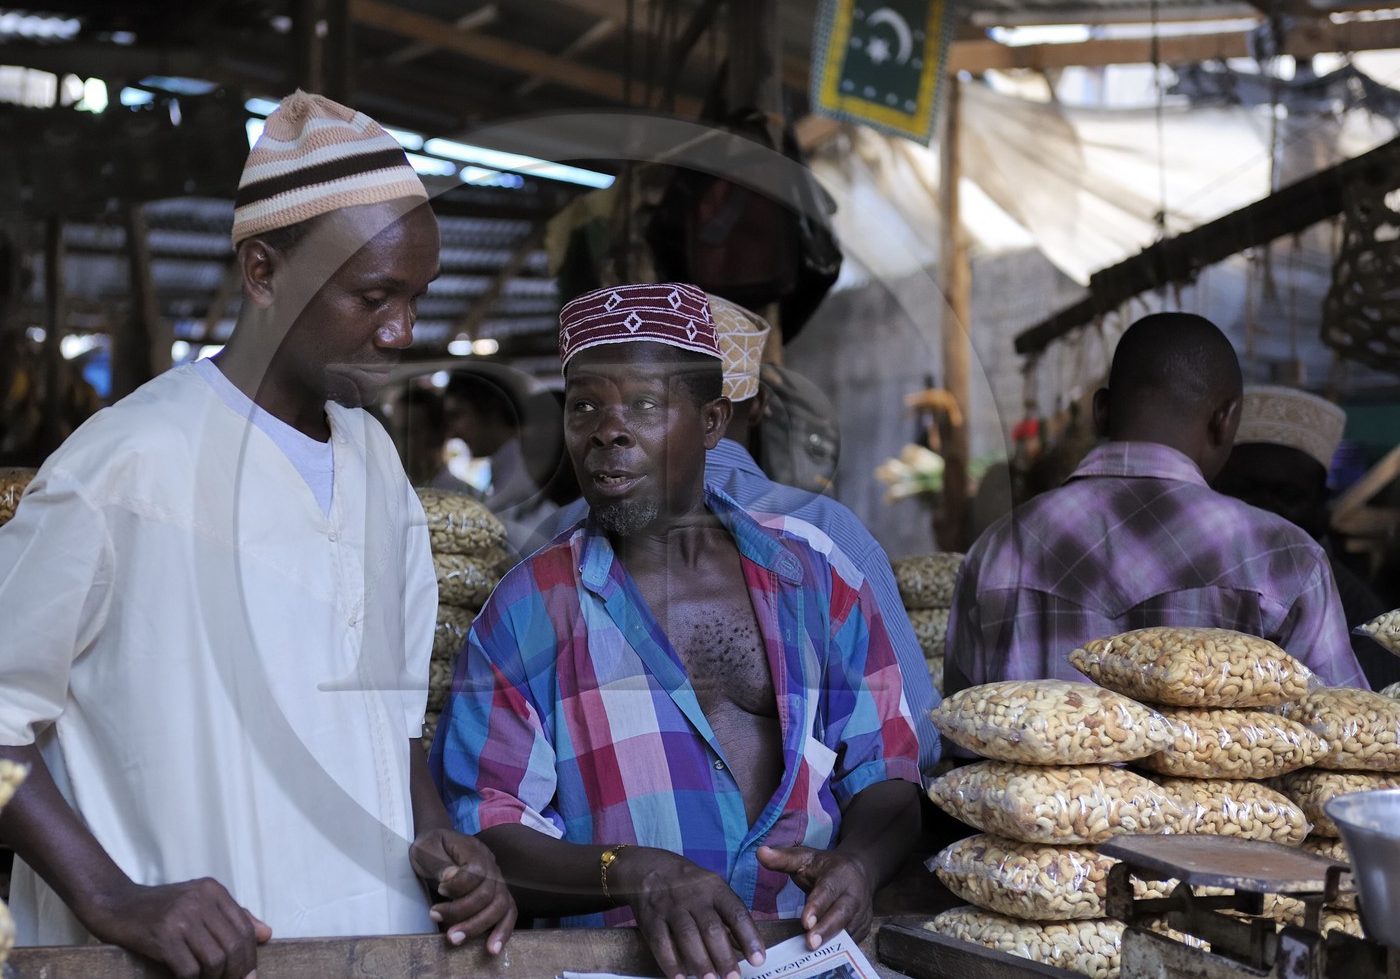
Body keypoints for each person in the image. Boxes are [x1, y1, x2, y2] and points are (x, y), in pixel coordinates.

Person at [0, 93, 514, 979]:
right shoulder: (131, 462)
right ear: (264, 272)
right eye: (371, 296)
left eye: (415, 298)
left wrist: (439, 843)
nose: (401, 333)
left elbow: (388, 722)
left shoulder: (376, 461)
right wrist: (116, 899)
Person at [432, 283, 932, 979]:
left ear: (711, 422)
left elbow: (886, 776)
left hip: (811, 971)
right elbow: (487, 833)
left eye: (643, 404)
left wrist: (861, 863)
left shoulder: (818, 581)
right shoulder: (526, 612)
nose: (608, 429)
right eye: (585, 407)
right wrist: (629, 872)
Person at [538, 293, 941, 759]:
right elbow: (916, 743)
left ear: (715, 418)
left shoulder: (552, 540)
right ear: (761, 404)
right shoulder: (828, 532)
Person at [946, 312, 1367, 693]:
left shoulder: (998, 550)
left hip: (1024, 783)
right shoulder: (1285, 558)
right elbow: (1344, 740)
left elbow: (959, 739)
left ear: (1102, 412)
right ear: (1225, 420)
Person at [1213, 386, 1400, 689]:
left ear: (1320, 503)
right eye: (1245, 489)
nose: (1264, 508)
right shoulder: (1181, 567)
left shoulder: (1358, 614)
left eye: (1287, 495)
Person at [443, 371, 536, 513]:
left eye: (457, 415)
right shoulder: (508, 468)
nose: (453, 433)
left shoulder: (526, 474)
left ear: (489, 409)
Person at [385, 384, 483, 498]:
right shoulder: (387, 494)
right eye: (393, 431)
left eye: (408, 432)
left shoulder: (468, 500)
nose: (394, 441)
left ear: (437, 436)